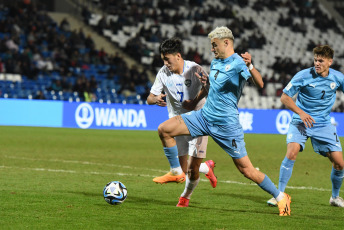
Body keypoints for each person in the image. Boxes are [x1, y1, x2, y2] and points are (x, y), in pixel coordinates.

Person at [157, 26, 291, 216]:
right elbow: (210, 87)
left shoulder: (238, 63)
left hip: (226, 125)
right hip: (204, 117)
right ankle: (176, 171)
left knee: (247, 170)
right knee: (164, 129)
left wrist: (251, 66)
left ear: (226, 42)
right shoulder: (216, 62)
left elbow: (260, 84)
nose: (212, 49)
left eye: (215, 45)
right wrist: (194, 101)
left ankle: (280, 196)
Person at [267, 45, 344, 207]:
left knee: (339, 164)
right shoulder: (303, 75)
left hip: (323, 124)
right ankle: (279, 195)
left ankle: (335, 197)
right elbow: (285, 97)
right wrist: (301, 112)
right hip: (300, 122)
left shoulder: (338, 78)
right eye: (315, 60)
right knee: (292, 152)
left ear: (330, 62)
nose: (317, 63)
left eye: (321, 61)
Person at [147, 37, 217, 188]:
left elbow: (210, 88)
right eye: (163, 59)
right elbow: (149, 99)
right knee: (184, 170)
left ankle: (179, 180)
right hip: (178, 122)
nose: (165, 63)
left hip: (198, 121)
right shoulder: (163, 73)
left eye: (167, 59)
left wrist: (194, 101)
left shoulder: (195, 69)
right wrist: (156, 98)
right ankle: (206, 167)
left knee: (190, 171)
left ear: (178, 56)